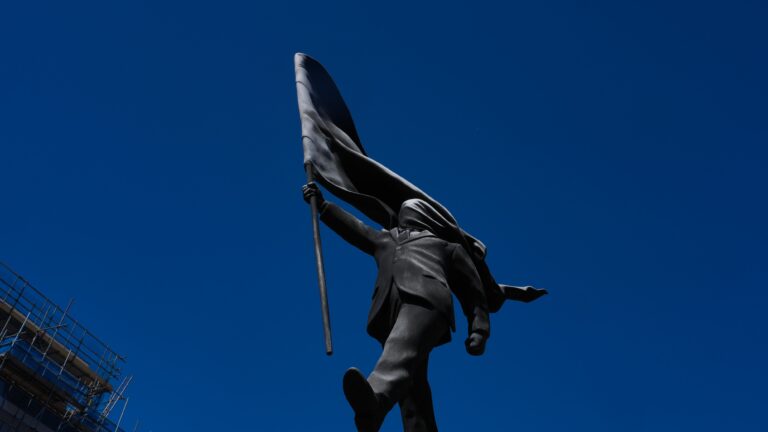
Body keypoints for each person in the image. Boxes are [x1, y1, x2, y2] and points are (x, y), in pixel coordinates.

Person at [303, 182, 491, 432]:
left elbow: (473, 290)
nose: (404, 213)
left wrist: (479, 328)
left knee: (399, 352)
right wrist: (324, 206)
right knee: (412, 385)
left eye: (410, 209)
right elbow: (355, 229)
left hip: (427, 301)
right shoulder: (385, 238)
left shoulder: (446, 247)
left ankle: (375, 401)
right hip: (388, 311)